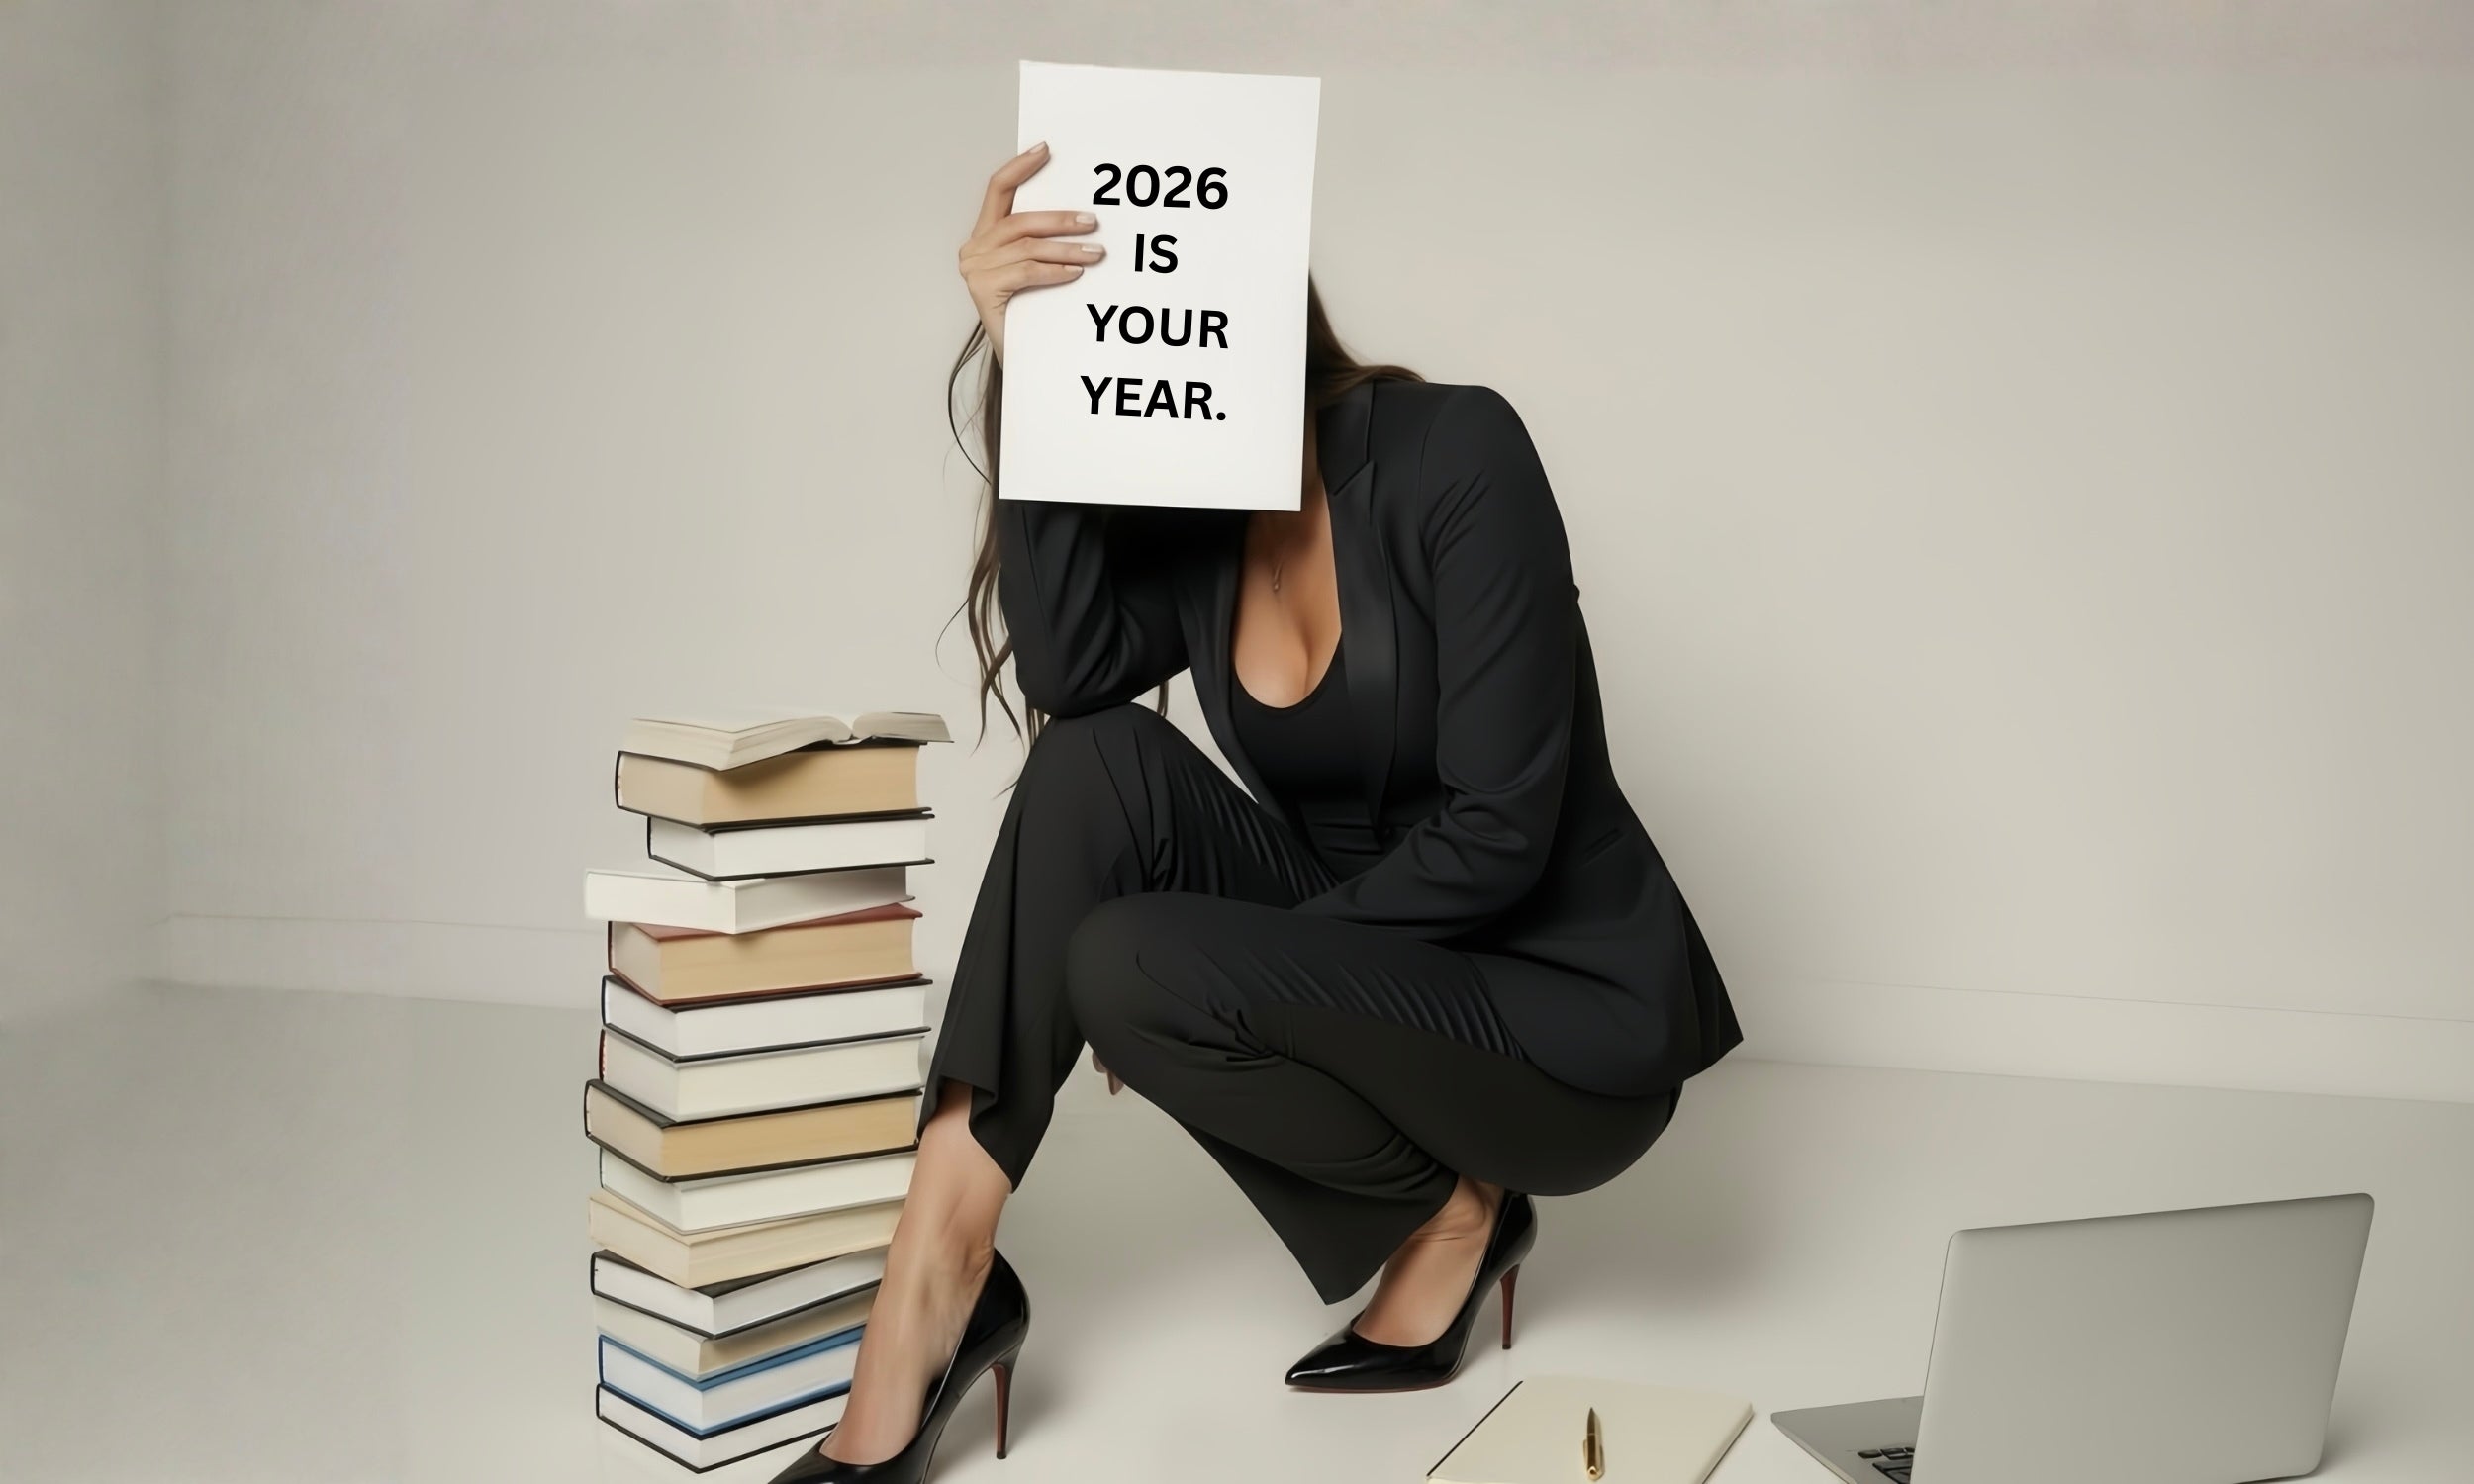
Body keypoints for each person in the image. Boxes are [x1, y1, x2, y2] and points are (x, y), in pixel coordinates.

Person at [769, 141, 1741, 1484]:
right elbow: (1065, 676)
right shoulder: (1192, 534)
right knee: (1089, 766)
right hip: (1366, 983)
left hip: (1553, 1024)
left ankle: (1463, 1207)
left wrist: (1249, 972)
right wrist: (1021, 362)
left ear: (1250, 307)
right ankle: (938, 1258)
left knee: (1130, 959)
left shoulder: (1456, 449)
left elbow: (1507, 827)